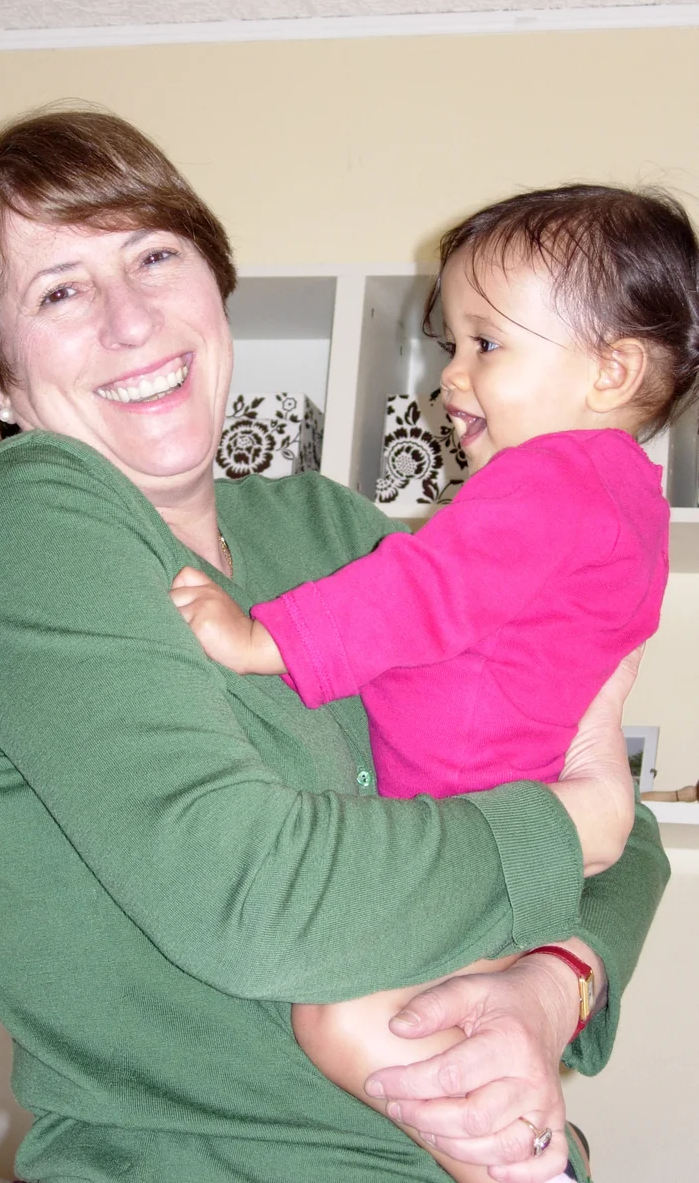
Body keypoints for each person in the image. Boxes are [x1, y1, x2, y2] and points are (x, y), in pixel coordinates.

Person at [0, 108, 669, 1183]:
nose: (132, 320)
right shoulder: (33, 514)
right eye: (60, 292)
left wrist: (549, 985)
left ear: (215, 285)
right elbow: (259, 903)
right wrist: (567, 824)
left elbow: (623, 844)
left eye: (154, 257)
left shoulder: (329, 527)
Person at [170, 183, 694, 1180]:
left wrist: (261, 638)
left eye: (486, 344)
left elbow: (418, 593)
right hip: (506, 839)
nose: (449, 374)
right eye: (451, 343)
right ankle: (526, 1142)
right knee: (425, 1023)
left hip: (460, 826)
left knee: (341, 1017)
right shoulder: (626, 497)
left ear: (611, 370)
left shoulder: (550, 480)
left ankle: (510, 1161)